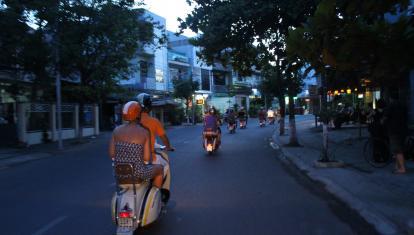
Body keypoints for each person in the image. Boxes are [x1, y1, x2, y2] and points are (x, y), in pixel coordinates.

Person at [109, 101, 164, 188]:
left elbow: (112, 154)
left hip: (119, 174)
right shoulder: (144, 131)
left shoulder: (116, 130)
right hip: (139, 174)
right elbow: (146, 158)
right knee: (160, 168)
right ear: (138, 114)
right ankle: (155, 195)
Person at [136, 93, 174, 179]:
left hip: (132, 161)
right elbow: (164, 138)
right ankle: (158, 189)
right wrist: (168, 147)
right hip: (149, 159)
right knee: (164, 165)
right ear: (149, 106)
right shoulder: (154, 121)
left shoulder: (130, 124)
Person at [383, 92, 407, 174]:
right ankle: (398, 166)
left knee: (397, 150)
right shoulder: (403, 105)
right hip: (403, 130)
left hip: (394, 130)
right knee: (399, 149)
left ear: (390, 98)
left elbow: (385, 118)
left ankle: (402, 168)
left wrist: (382, 121)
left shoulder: (391, 106)